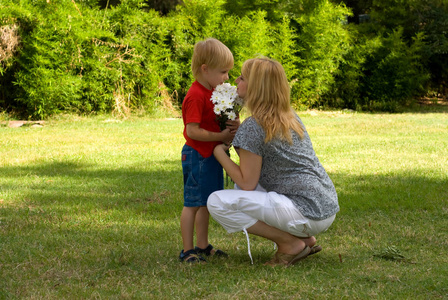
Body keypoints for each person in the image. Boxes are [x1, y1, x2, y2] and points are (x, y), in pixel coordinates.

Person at [207, 58, 339, 266]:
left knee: (217, 202)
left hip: (304, 211)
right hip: (324, 205)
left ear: (256, 87)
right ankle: (305, 239)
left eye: (242, 77)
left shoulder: (253, 126)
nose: (237, 80)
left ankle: (289, 244)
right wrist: (240, 132)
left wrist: (218, 152)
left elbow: (247, 182)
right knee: (238, 188)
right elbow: (256, 164)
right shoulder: (289, 116)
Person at [180, 38, 239, 263]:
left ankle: (202, 245)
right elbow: (192, 131)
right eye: (223, 72)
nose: (226, 78)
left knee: (207, 202)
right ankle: (187, 250)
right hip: (197, 155)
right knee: (192, 203)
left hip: (213, 155)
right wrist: (220, 137)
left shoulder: (215, 91)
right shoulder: (195, 95)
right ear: (205, 69)